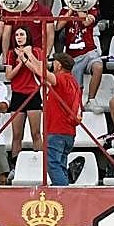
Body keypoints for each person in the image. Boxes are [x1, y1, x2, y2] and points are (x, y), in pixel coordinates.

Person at [41, 52, 83, 186]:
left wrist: (29, 56)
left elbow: (42, 73)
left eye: (54, 62)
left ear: (58, 65)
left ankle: (62, 191)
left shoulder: (62, 80)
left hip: (56, 130)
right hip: (68, 132)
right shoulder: (73, 82)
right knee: (60, 164)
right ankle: (62, 189)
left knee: (52, 163)